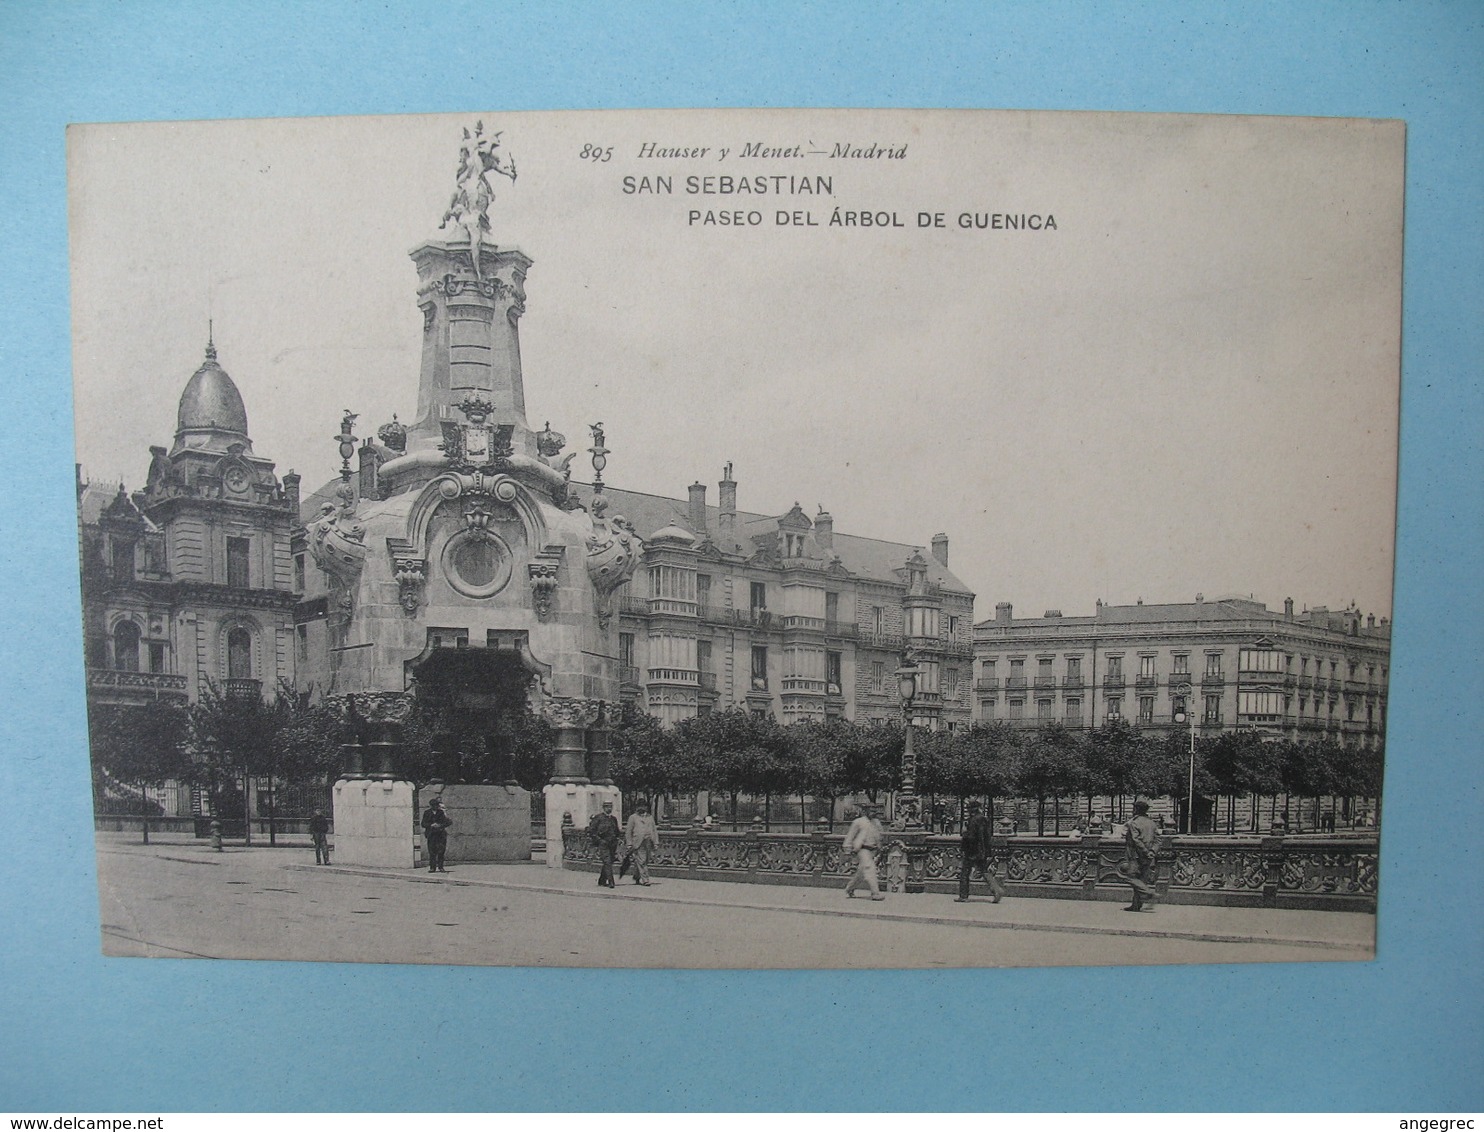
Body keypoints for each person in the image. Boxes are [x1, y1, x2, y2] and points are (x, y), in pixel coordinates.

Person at [955, 800, 1006, 903]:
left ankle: (963, 896)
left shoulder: (973, 820)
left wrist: (964, 833)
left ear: (971, 810)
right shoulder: (984, 819)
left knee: (965, 872)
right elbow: (987, 837)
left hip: (971, 851)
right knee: (984, 871)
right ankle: (996, 889)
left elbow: (971, 837)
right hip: (982, 850)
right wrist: (987, 851)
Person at [842, 803, 886, 901]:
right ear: (865, 811)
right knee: (870, 868)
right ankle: (875, 893)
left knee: (861, 873)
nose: (873, 812)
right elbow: (850, 836)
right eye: (871, 810)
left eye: (874, 810)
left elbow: (880, 836)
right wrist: (848, 850)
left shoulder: (877, 822)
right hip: (862, 849)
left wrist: (880, 847)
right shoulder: (858, 822)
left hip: (873, 850)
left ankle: (850, 888)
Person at [1122, 799, 1159, 912]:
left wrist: (1144, 851)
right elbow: (1158, 840)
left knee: (1130, 877)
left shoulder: (1134, 823)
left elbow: (1136, 839)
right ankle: (1136, 905)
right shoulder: (1152, 823)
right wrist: (1152, 851)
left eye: (1134, 808)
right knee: (1141, 880)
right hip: (1149, 856)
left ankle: (1149, 893)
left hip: (1136, 855)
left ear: (1137, 809)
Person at [586, 800, 621, 888]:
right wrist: (599, 840)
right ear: (604, 808)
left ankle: (602, 880)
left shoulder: (613, 819)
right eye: (607, 807)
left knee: (609, 862)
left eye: (610, 807)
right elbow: (592, 831)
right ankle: (611, 882)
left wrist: (617, 839)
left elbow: (617, 831)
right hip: (603, 843)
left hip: (612, 844)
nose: (609, 808)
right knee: (607, 861)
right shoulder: (598, 818)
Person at [624, 801, 659, 886]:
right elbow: (628, 831)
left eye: (643, 806)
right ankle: (645, 880)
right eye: (640, 806)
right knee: (642, 860)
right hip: (638, 842)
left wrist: (656, 842)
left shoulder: (650, 817)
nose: (642, 808)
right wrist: (629, 843)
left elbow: (654, 830)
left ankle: (636, 876)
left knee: (644, 860)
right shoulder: (633, 817)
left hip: (648, 841)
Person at [421, 795, 452, 873]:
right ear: (431, 806)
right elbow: (423, 824)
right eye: (434, 805)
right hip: (431, 834)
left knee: (441, 851)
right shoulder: (427, 813)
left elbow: (447, 822)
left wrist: (439, 825)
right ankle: (432, 867)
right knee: (432, 851)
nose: (436, 807)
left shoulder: (441, 812)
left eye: (436, 805)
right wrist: (430, 825)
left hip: (440, 834)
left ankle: (441, 867)